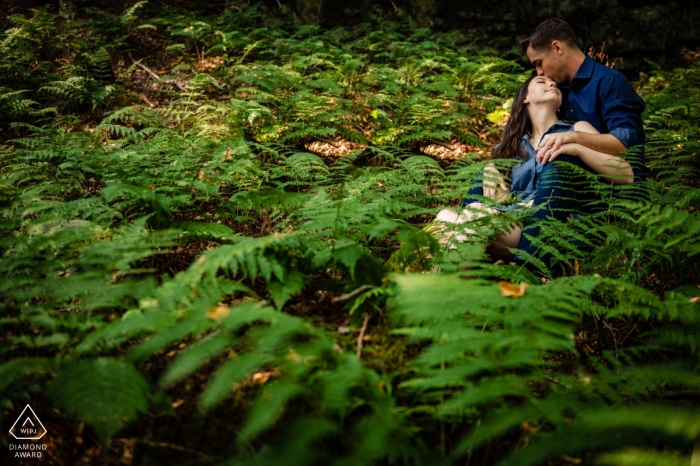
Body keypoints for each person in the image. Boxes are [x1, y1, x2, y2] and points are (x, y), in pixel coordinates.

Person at [432, 75, 634, 261]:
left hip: (551, 229)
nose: (552, 83)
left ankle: (443, 291)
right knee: (446, 216)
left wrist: (576, 147)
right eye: (541, 82)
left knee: (474, 214)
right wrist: (489, 167)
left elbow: (625, 174)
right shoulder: (510, 147)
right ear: (525, 99)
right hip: (507, 221)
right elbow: (495, 197)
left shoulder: (577, 129)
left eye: (553, 82)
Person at [519, 18, 647, 178]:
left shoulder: (609, 82)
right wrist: (494, 164)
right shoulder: (556, 90)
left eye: (539, 63)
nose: (539, 72)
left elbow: (624, 145)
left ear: (557, 48)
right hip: (571, 184)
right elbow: (524, 135)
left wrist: (573, 137)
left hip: (620, 189)